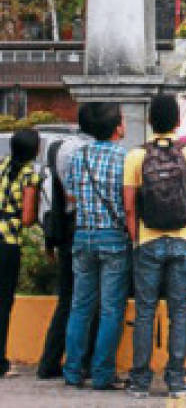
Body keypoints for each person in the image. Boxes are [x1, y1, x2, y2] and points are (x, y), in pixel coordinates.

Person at [124, 93, 186, 398]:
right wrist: (183, 214)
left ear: (150, 121)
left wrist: (138, 241)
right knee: (179, 312)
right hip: (183, 240)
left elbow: (130, 208)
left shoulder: (136, 155)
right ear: (177, 121)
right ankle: (176, 380)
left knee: (145, 311)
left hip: (148, 240)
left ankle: (139, 381)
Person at [63, 103, 130, 391]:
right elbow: (129, 203)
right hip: (113, 237)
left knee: (80, 307)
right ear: (117, 128)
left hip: (83, 236)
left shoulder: (80, 156)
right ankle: (102, 374)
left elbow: (71, 194)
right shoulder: (125, 158)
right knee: (111, 310)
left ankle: (73, 371)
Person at [37, 104, 98, 380]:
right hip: (82, 227)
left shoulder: (61, 147)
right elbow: (77, 194)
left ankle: (49, 361)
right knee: (90, 298)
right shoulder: (89, 151)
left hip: (64, 228)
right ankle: (84, 361)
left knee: (68, 298)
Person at [0, 128, 40, 379]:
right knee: (3, 303)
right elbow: (27, 219)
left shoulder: (2, 166)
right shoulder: (29, 176)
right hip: (8, 241)